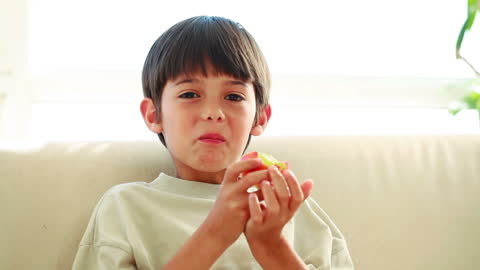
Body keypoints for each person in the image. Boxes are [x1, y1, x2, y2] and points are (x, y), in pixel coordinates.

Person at [72, 15, 354, 270]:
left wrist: (273, 248)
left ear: (260, 117)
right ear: (154, 114)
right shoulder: (125, 207)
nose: (212, 112)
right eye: (189, 94)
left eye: (233, 97)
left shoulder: (294, 210)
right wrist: (214, 235)